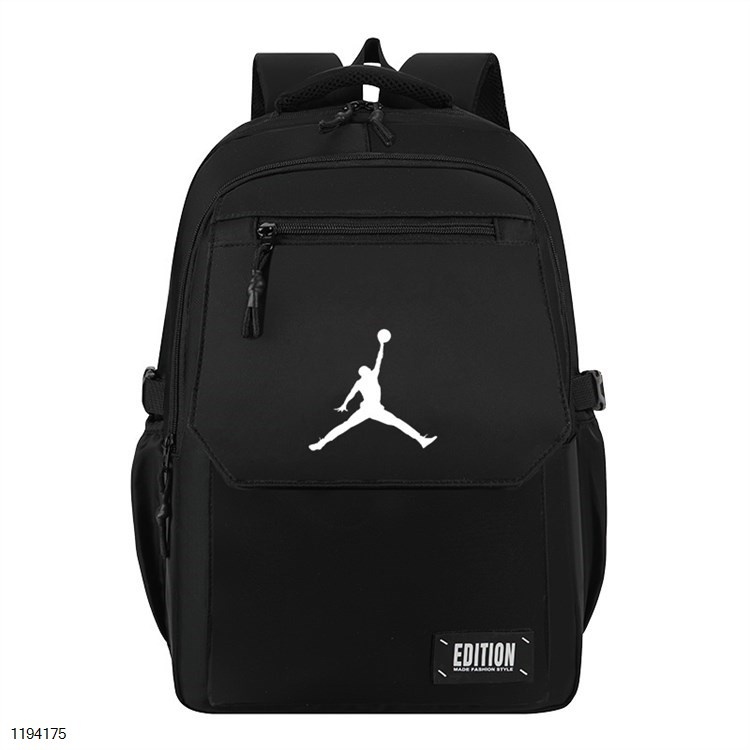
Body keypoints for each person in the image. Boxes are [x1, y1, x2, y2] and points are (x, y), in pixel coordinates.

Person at [309, 330, 437, 451]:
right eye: (366, 368)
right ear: (364, 372)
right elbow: (378, 360)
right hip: (370, 409)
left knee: (346, 425)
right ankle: (421, 439)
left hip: (373, 409)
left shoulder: (364, 379)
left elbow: (352, 393)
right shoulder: (369, 377)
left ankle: (321, 443)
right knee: (396, 422)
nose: (369, 369)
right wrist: (381, 344)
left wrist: (345, 404)